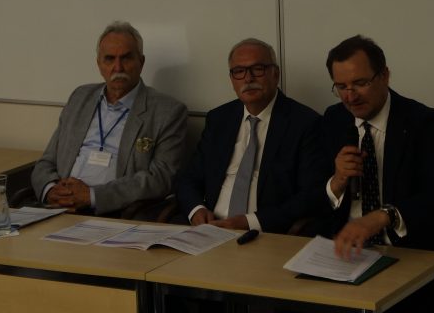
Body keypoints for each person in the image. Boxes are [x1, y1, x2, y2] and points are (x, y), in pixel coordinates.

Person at [318, 34, 434, 256]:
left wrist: (384, 216)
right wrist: (336, 182)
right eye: (341, 87)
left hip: (404, 249)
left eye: (360, 84)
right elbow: (311, 195)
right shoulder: (334, 119)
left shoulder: (420, 122)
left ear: (384, 76)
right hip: (344, 250)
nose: (350, 97)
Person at [30, 21, 187, 219]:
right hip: (59, 208)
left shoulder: (168, 112)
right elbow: (46, 161)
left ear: (141, 62)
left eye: (126, 58)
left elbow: (161, 178)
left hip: (112, 213)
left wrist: (92, 196)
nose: (118, 67)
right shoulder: (80, 98)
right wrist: (51, 190)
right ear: (99, 64)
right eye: (109, 59)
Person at [175, 37, 324, 233]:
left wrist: (250, 222)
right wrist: (196, 210)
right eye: (239, 71)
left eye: (258, 69)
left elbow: (311, 196)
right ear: (232, 79)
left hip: (264, 232)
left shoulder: (305, 123)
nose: (248, 79)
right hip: (209, 229)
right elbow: (188, 178)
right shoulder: (219, 119)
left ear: (276, 74)